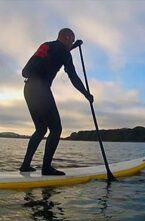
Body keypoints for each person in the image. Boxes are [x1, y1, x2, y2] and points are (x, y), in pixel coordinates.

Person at [20, 28, 93, 175]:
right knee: (56, 129)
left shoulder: (47, 45)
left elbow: (55, 54)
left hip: (28, 88)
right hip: (41, 90)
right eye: (71, 40)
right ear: (66, 37)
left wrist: (73, 47)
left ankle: (25, 165)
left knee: (41, 129)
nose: (71, 43)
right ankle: (46, 168)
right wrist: (86, 93)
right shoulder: (64, 53)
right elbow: (73, 77)